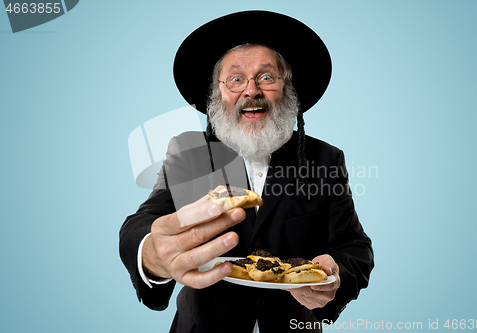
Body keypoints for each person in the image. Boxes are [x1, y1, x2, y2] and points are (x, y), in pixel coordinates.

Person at [120, 10, 374, 333]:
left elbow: (356, 248)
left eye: (266, 77)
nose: (251, 91)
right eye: (236, 79)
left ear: (288, 89)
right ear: (217, 92)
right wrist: (154, 255)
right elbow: (139, 225)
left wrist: (336, 275)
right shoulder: (189, 154)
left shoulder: (325, 160)